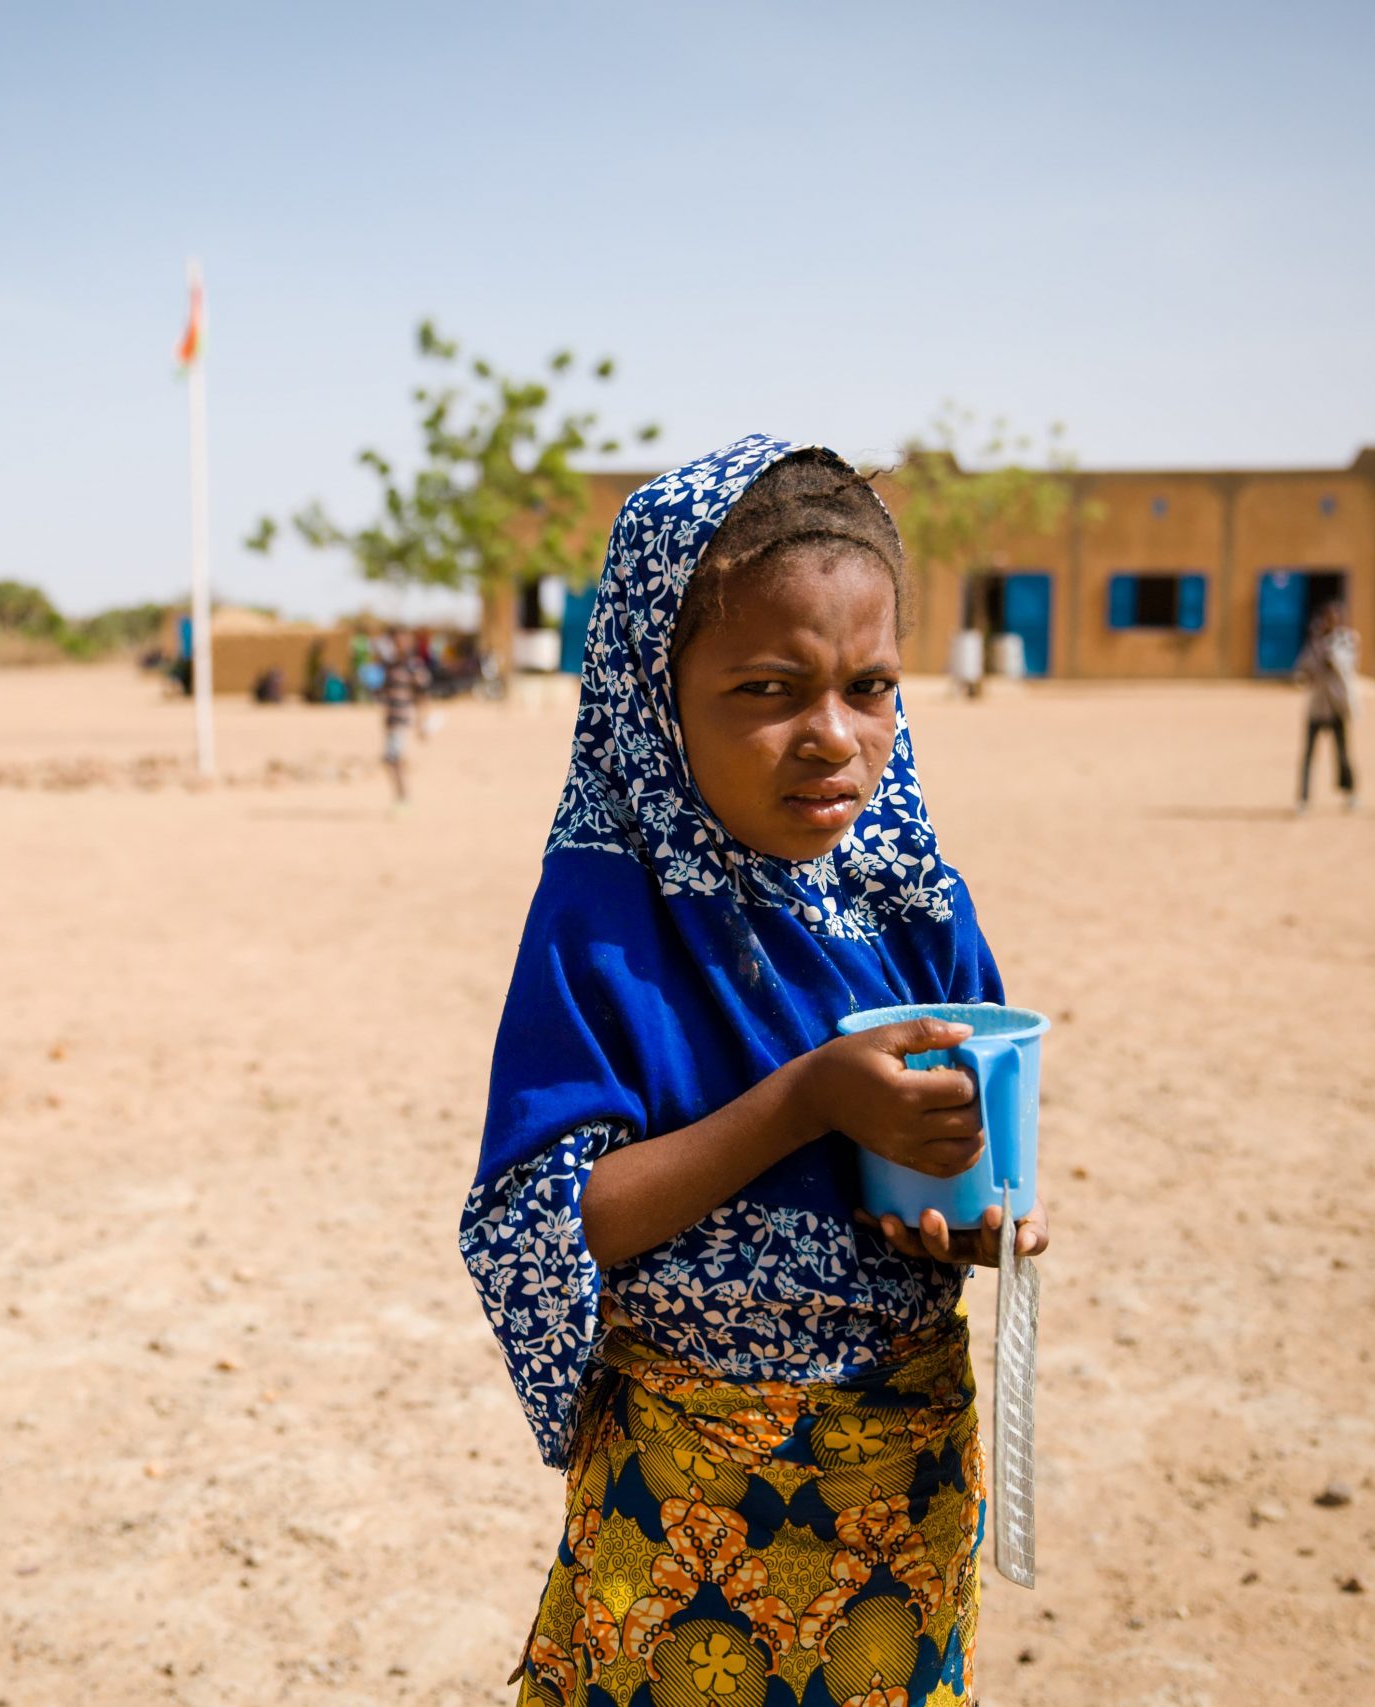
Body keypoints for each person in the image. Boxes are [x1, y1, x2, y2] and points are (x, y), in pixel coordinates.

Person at [460, 438, 1043, 1707]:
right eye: (768, 689)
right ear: (648, 695)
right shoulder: (606, 916)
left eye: (872, 685)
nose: (832, 737)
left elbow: (961, 1175)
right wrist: (807, 1097)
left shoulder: (912, 903)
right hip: (685, 1515)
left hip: (904, 1493)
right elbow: (543, 1227)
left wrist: (978, 1222)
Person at [1293, 598, 1358, 813]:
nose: (1329, 621)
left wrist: (1328, 653)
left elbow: (1344, 666)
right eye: (1326, 617)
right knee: (1308, 756)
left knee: (1342, 754)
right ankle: (1303, 798)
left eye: (1333, 617)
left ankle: (1350, 794)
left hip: (1337, 706)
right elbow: (1303, 668)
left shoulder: (1347, 640)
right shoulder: (1314, 643)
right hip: (1317, 707)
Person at [378, 628, 423, 806]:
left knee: (392, 758)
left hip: (403, 719)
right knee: (392, 760)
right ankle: (401, 796)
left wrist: (421, 722)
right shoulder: (390, 666)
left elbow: (422, 695)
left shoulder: (413, 666)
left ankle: (403, 797)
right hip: (391, 718)